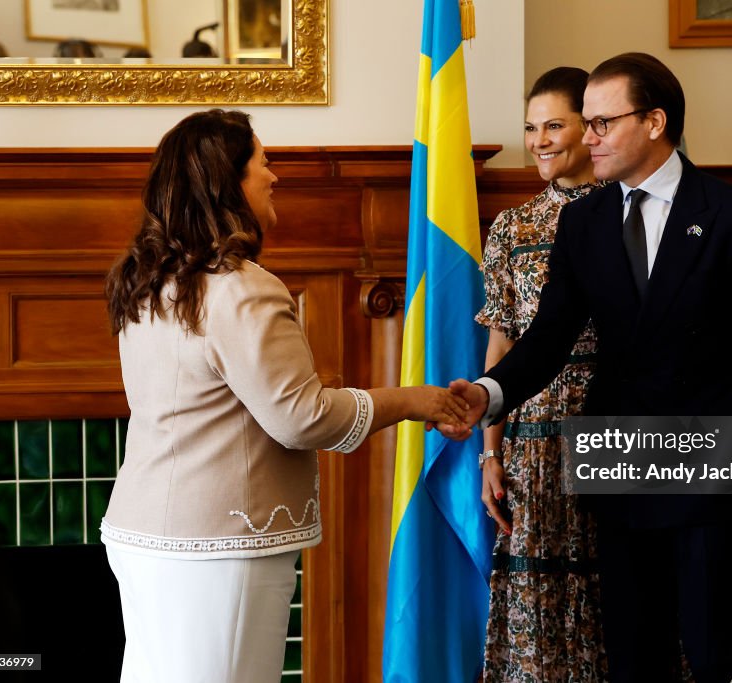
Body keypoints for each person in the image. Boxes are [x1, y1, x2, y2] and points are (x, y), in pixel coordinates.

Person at [442, 53, 732, 682]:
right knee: (637, 663)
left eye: (602, 123)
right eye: (585, 123)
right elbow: (548, 337)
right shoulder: (584, 222)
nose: (587, 138)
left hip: (714, 483)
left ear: (656, 122)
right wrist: (487, 394)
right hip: (622, 475)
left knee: (721, 658)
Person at [101, 109, 466, 683]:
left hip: (142, 535)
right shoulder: (243, 288)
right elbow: (303, 417)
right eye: (263, 163)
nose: (274, 177)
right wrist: (413, 400)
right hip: (219, 548)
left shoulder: (147, 283)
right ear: (229, 184)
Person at [477, 66, 607, 682]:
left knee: (619, 595)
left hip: (618, 432)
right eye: (531, 128)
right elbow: (501, 342)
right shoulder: (511, 228)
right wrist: (489, 454)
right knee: (538, 603)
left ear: (593, 126)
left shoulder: (630, 214)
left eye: (554, 124)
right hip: (531, 442)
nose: (539, 140)